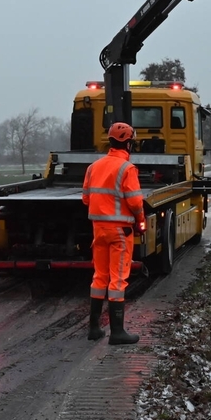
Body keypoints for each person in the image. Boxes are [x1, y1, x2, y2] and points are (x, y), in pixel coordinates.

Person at [82, 122, 146, 345]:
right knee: (118, 280)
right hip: (120, 231)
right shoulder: (127, 169)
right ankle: (117, 332)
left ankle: (94, 328)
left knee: (99, 277)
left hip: (98, 230)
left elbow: (86, 198)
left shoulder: (94, 167)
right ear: (128, 143)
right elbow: (136, 201)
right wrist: (140, 219)